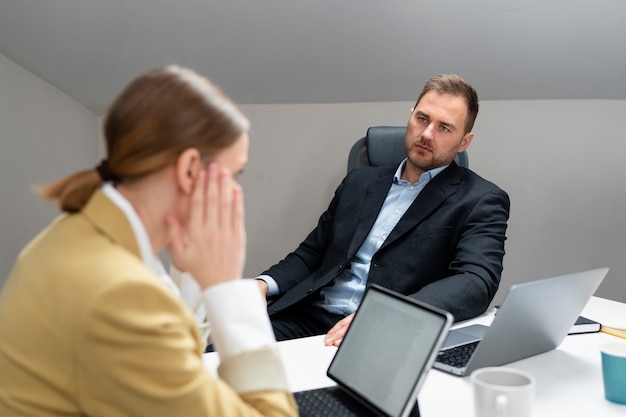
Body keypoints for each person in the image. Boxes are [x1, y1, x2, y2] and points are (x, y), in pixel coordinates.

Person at [0, 66, 297, 417]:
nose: (236, 193)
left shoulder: (79, 230)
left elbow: (169, 361)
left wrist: (195, 274)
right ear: (189, 170)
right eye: (233, 175)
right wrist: (228, 286)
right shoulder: (120, 293)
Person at [256, 74, 510, 346]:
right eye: (422, 119)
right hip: (309, 318)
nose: (426, 134)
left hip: (385, 333)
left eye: (444, 128)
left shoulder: (481, 199)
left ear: (464, 142)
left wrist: (385, 315)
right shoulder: (359, 182)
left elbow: (475, 281)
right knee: (219, 358)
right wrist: (262, 284)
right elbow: (313, 254)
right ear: (411, 116)